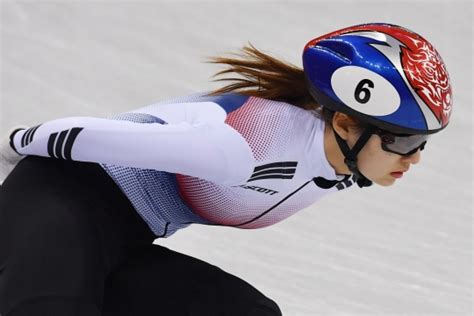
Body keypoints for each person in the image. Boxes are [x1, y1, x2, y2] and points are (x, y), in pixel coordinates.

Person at [0, 22, 452, 315]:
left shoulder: (335, 163)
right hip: (59, 197)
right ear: (345, 123)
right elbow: (90, 134)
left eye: (421, 143)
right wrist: (16, 145)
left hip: (125, 238)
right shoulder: (248, 145)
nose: (413, 158)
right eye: (402, 140)